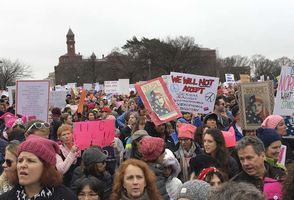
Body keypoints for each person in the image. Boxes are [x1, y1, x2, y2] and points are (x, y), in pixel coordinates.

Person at [0, 135, 77, 199]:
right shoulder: (6, 198)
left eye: (30, 161)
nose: (22, 165)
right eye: (20, 160)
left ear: (46, 167)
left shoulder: (66, 197)